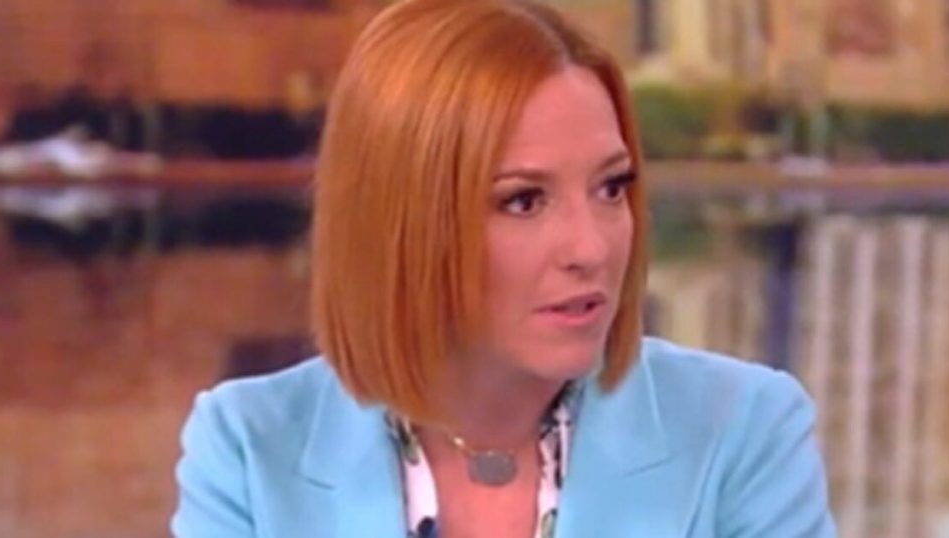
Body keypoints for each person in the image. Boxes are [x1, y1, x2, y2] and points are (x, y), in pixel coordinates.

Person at [170, 0, 837, 536]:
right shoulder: (249, 451)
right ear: (403, 221)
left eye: (610, 188)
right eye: (523, 201)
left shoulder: (743, 432)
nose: (590, 248)